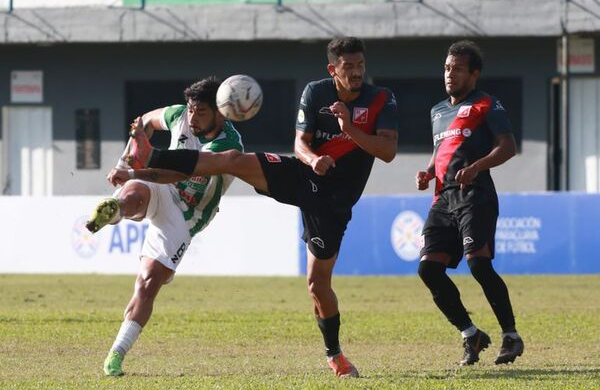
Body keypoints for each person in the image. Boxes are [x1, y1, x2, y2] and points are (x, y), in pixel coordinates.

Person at [110, 37, 399, 378]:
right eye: (348, 67)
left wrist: (349, 128)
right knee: (233, 160)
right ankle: (151, 159)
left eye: (360, 66)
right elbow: (300, 143)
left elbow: (388, 151)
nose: (356, 73)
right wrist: (312, 159)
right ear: (332, 69)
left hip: (333, 201)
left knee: (317, 285)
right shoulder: (316, 92)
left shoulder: (381, 98)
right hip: (302, 174)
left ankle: (334, 355)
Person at [85, 77, 244, 376]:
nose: (193, 117)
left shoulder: (228, 145)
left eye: (201, 112)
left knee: (148, 282)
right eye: (191, 109)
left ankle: (116, 353)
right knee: (134, 192)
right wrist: (129, 155)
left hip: (186, 216)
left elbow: (176, 172)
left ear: (220, 113)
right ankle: (115, 209)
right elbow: (143, 121)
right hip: (159, 187)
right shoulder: (178, 115)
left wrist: (135, 167)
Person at [415, 40, 524, 366]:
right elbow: (441, 152)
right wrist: (428, 172)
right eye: (447, 68)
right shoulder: (437, 111)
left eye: (458, 69)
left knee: (479, 264)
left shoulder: (487, 104)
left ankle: (511, 335)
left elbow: (508, 147)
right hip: (442, 198)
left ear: (473, 74)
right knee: (428, 269)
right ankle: (470, 334)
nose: (450, 74)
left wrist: (476, 167)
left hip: (475, 195)